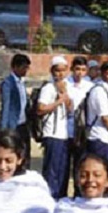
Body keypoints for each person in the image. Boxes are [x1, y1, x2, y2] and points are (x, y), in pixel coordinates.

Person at [37, 56, 72, 199]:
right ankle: (49, 197)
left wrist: (65, 96)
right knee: (52, 170)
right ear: (52, 71)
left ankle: (61, 197)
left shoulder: (67, 87)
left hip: (64, 134)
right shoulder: (48, 88)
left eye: (63, 70)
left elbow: (70, 109)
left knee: (63, 170)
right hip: (52, 133)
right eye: (58, 70)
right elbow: (40, 109)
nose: (61, 74)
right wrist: (58, 101)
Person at [86, 61, 108, 170]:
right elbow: (105, 117)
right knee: (101, 171)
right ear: (102, 74)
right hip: (100, 137)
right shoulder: (99, 91)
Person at [0, 54, 32, 165]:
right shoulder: (8, 84)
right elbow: (5, 107)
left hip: (23, 124)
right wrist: (3, 129)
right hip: (13, 125)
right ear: (15, 67)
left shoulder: (22, 83)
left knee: (25, 153)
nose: (25, 70)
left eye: (27, 68)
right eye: (23, 67)